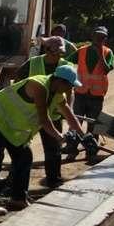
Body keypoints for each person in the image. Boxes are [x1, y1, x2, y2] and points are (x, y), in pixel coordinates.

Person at [0, 63, 89, 216]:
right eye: (70, 86)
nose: (71, 90)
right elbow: (44, 120)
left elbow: (69, 115)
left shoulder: (58, 93)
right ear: (60, 81)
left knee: (24, 158)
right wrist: (59, 137)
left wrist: (84, 137)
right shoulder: (39, 86)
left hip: (12, 127)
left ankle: (18, 199)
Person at [20, 35, 73, 186]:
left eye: (60, 53)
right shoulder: (32, 64)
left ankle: (53, 178)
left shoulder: (66, 65)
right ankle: (14, 183)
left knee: (54, 148)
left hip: (53, 114)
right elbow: (18, 85)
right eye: (55, 52)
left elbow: (70, 91)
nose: (58, 56)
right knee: (21, 148)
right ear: (47, 50)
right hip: (31, 114)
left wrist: (68, 110)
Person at [66, 26, 114, 160]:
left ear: (105, 39)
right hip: (81, 93)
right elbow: (67, 62)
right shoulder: (82, 51)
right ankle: (72, 149)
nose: (99, 39)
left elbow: (106, 70)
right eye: (97, 36)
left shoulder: (107, 52)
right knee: (76, 123)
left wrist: (100, 55)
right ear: (92, 36)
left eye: (102, 37)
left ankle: (90, 152)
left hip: (96, 96)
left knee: (93, 125)